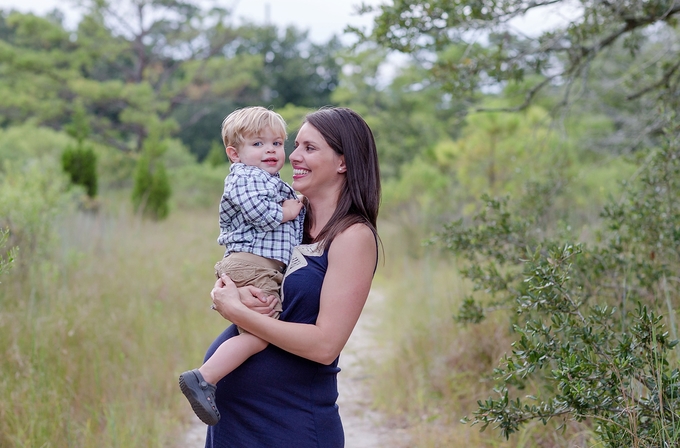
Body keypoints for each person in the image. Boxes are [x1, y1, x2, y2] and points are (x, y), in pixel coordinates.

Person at [204, 106, 381, 447]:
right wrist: (227, 292)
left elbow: (325, 345)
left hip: (288, 423)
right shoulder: (290, 223)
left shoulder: (353, 237)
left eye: (309, 148)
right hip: (234, 422)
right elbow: (247, 267)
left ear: (343, 162)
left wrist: (236, 312)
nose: (293, 156)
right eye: (296, 145)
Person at [178, 106, 305, 426]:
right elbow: (260, 213)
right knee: (260, 336)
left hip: (260, 267)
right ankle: (204, 378)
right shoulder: (246, 177)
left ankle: (225, 386)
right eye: (258, 144)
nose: (271, 151)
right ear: (234, 153)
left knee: (257, 328)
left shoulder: (268, 179)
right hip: (251, 264)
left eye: (277, 143)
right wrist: (288, 211)